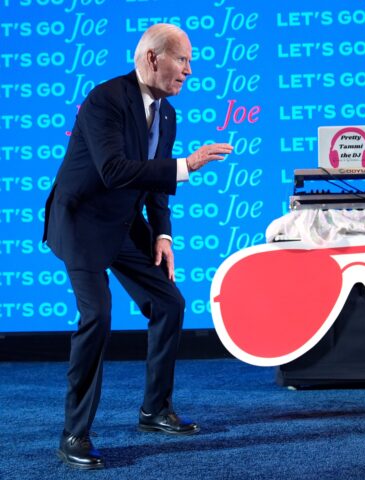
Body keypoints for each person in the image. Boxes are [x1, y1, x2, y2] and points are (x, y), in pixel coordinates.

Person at [43, 23, 233, 469]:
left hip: (124, 224)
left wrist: (162, 235)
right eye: (182, 59)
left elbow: (154, 185)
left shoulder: (166, 113)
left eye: (189, 61)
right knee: (98, 316)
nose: (189, 69)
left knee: (168, 303)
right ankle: (74, 434)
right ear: (153, 58)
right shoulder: (105, 100)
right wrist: (186, 165)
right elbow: (114, 170)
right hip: (82, 223)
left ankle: (154, 410)